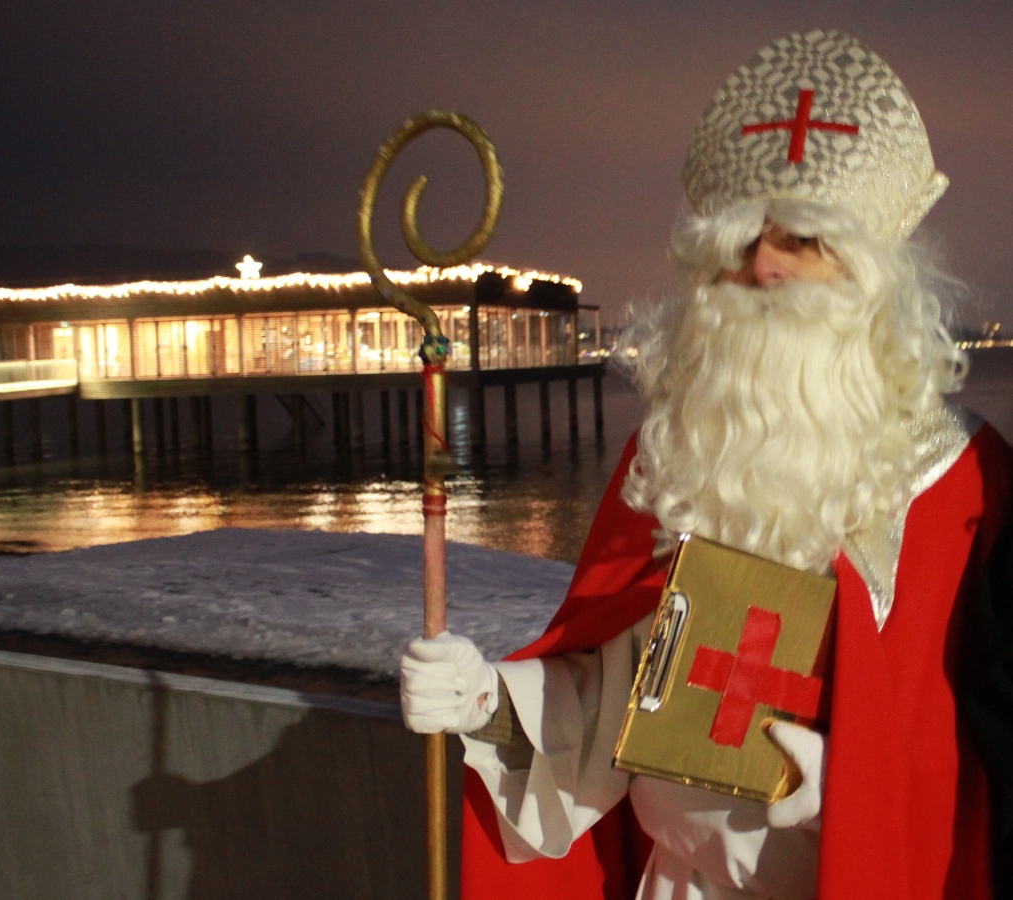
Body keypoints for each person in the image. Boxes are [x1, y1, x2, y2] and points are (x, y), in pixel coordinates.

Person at [400, 29, 1012, 900]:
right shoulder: (678, 458)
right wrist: (487, 703)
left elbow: (996, 751)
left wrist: (856, 788)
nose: (762, 266)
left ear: (872, 275)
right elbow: (613, 706)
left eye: (801, 238)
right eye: (740, 240)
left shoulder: (963, 485)